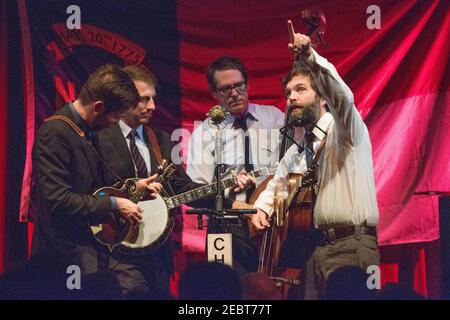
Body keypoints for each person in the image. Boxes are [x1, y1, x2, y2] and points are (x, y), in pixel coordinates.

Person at [95, 65, 254, 297]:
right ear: (123, 99)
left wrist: (226, 193)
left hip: (158, 254)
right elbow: (92, 190)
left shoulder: (159, 139)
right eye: (143, 99)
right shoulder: (100, 137)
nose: (152, 106)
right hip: (118, 250)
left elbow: (182, 186)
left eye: (153, 99)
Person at [251, 21, 379, 299]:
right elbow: (277, 184)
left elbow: (343, 96)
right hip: (314, 250)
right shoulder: (298, 149)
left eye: (300, 90)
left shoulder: (345, 131)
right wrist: (261, 209)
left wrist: (311, 57)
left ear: (322, 97)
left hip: (351, 246)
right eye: (288, 93)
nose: (291, 98)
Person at [31, 64, 161, 288]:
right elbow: (57, 199)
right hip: (65, 253)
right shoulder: (55, 133)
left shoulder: (89, 130)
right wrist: (114, 204)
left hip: (94, 248)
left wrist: (131, 190)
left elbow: (94, 187)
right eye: (115, 116)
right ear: (99, 107)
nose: (115, 123)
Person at [186, 56, 285, 277]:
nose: (234, 93)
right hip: (227, 226)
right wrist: (228, 188)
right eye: (225, 89)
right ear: (214, 93)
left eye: (238, 85)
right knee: (224, 291)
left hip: (271, 223)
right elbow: (196, 191)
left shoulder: (274, 119)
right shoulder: (205, 133)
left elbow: (291, 168)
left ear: (247, 84)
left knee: (270, 289)